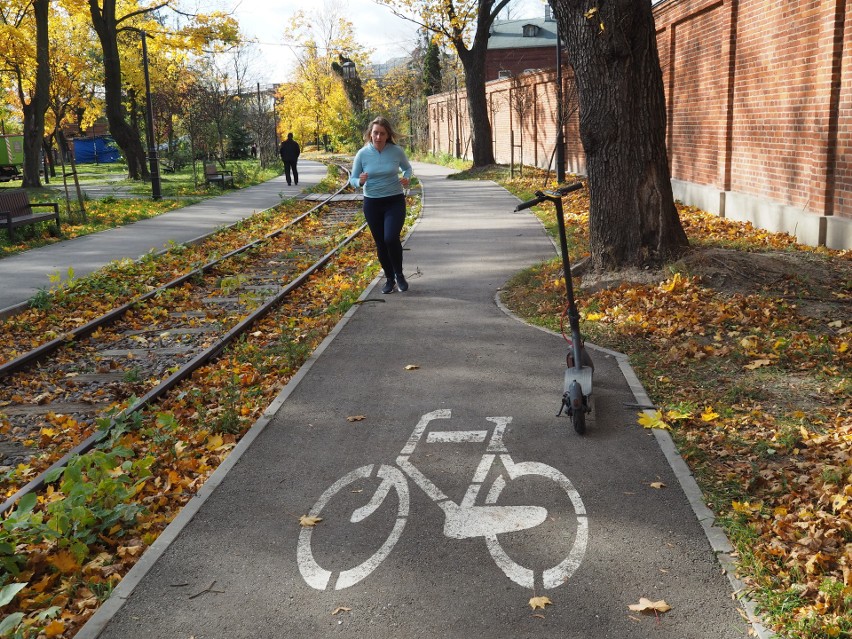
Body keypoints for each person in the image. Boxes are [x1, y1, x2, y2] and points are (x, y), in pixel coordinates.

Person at [349, 116, 413, 294]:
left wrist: (407, 178)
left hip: (394, 200)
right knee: (380, 243)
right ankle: (389, 278)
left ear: (387, 135)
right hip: (372, 203)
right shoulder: (362, 154)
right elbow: (352, 179)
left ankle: (399, 275)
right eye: (375, 133)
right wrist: (359, 182)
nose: (378, 137)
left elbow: (407, 168)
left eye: (382, 134)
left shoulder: (396, 151)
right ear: (370, 134)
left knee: (391, 238)